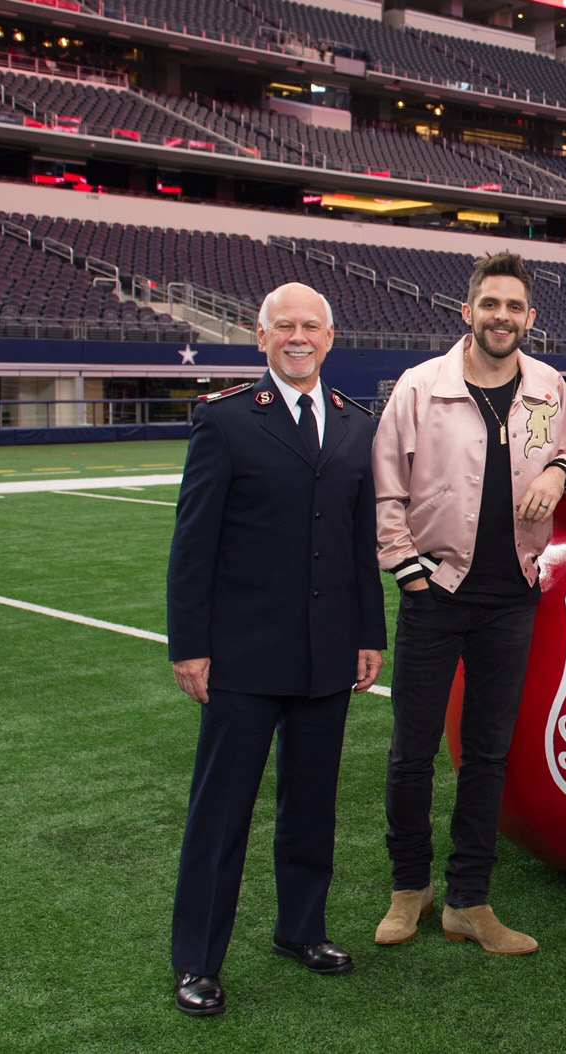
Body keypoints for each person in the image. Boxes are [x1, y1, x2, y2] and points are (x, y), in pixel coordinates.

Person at [371, 251, 566, 955]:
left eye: (514, 307)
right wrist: (407, 569)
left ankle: (469, 901)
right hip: (437, 593)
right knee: (412, 752)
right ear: (467, 311)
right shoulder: (420, 387)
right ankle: (409, 888)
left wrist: (564, 469)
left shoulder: (549, 386)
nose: (501, 317)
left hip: (513, 597)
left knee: (488, 755)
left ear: (530, 319)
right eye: (490, 304)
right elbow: (385, 489)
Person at [166, 282, 387, 1017]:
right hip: (243, 656)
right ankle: (197, 959)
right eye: (284, 326)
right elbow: (192, 546)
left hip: (328, 654)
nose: (298, 337)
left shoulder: (358, 424)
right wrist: (190, 646)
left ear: (331, 337)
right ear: (260, 337)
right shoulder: (226, 421)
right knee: (221, 812)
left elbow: (360, 547)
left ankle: (301, 930)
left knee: (312, 806)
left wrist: (367, 635)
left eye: (311, 326)